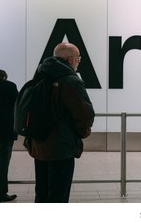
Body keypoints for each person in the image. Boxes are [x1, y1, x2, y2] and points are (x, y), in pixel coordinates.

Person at [26, 42, 94, 203]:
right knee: (58, 196)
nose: (79, 61)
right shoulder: (71, 81)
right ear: (70, 60)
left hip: (39, 145)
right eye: (78, 58)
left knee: (42, 194)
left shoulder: (40, 76)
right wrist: (82, 134)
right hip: (61, 147)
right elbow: (84, 115)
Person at [0, 69, 18, 203]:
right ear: (4, 77)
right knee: (3, 160)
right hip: (5, 127)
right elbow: (17, 104)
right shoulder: (9, 86)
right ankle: (0, 192)